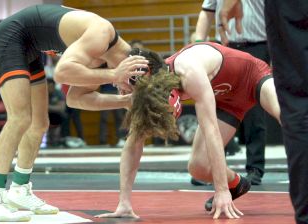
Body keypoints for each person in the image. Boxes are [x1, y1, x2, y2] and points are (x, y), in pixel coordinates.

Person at [0, 4, 149, 222]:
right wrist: (114, 75)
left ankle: (20, 190)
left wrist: (123, 101)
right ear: (132, 72)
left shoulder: (101, 57)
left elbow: (75, 99)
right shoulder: (102, 33)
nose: (122, 88)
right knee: (20, 118)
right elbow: (61, 74)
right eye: (128, 88)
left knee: (39, 123)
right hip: (12, 36)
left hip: (30, 45)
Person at [96, 43, 280, 219]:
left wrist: (220, 190)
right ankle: (237, 184)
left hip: (252, 76)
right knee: (198, 167)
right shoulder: (155, 91)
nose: (120, 92)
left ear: (141, 78)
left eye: (122, 86)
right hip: (226, 101)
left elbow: (211, 130)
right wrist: (124, 203)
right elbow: (133, 144)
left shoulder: (188, 70)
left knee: (288, 118)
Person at [219, 0, 308, 223]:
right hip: (237, 48)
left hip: (265, 39)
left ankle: (256, 168)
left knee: (297, 105)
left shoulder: (188, 69)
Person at [195, 0, 269, 185]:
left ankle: (255, 168)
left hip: (258, 46)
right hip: (225, 47)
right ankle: (211, 168)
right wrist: (198, 41)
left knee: (255, 112)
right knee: (217, 107)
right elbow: (206, 12)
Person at [47, 78, 66, 147]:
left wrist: (47, 107)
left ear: (54, 86)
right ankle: (49, 142)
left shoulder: (59, 93)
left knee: (60, 116)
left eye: (51, 86)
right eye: (48, 87)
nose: (49, 88)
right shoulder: (42, 94)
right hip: (45, 116)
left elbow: (61, 108)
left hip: (57, 116)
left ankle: (56, 141)